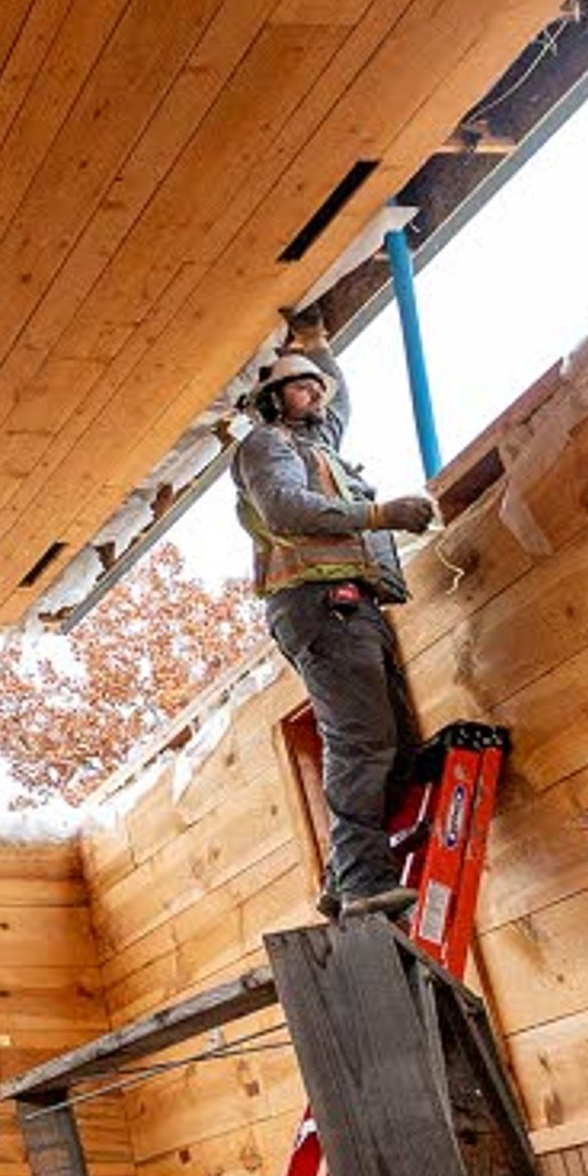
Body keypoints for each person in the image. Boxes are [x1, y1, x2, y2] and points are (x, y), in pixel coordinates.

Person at [234, 322, 438, 917]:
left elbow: (338, 396)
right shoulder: (268, 446)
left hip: (352, 603)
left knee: (396, 747)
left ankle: (343, 877)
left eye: (317, 388)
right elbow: (286, 507)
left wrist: (315, 345)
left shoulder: (320, 443)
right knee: (361, 738)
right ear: (274, 401)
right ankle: (362, 885)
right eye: (301, 389)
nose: (316, 395)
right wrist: (379, 513)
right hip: (318, 603)